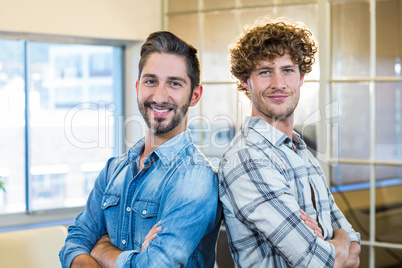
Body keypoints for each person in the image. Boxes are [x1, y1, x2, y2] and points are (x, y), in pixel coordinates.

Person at [59, 31, 221, 268]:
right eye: (150, 81)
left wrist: (102, 250)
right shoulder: (114, 169)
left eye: (174, 83)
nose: (159, 96)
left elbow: (155, 265)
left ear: (195, 95)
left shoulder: (196, 177)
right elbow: (74, 243)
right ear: (137, 87)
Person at [218, 20, 361, 267]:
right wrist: (340, 241)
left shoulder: (302, 153)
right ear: (245, 80)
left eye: (287, 70)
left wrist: (337, 242)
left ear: (301, 77)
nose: (278, 84)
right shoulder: (246, 158)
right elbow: (318, 263)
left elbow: (355, 255)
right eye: (265, 71)